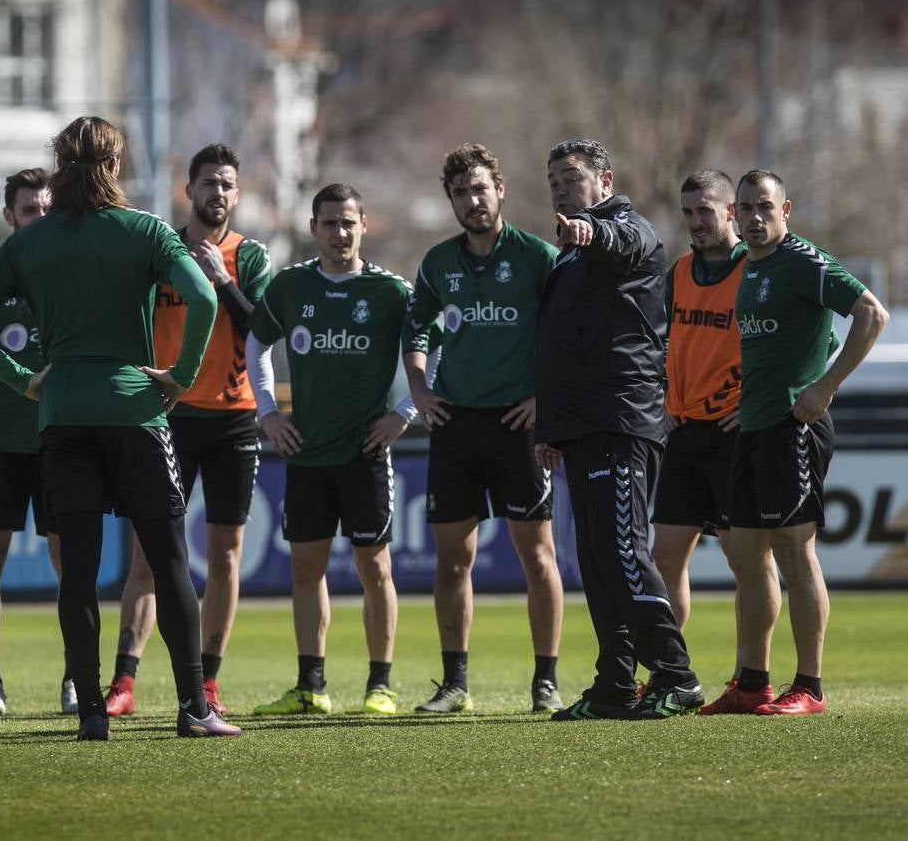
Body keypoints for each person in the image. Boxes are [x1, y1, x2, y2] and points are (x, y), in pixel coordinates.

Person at [0, 115, 241, 740]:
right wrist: (181, 377)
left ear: (61, 166)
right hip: (136, 410)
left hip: (64, 416)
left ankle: (89, 713)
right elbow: (207, 298)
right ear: (113, 166)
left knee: (77, 571)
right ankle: (194, 708)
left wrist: (24, 378)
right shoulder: (143, 231)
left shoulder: (31, 242)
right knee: (168, 561)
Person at [534, 138, 703, 721]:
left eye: (573, 177)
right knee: (598, 561)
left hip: (620, 419)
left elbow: (620, 240)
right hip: (581, 426)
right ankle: (614, 684)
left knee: (624, 552)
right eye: (553, 178)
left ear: (605, 181)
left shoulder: (627, 230)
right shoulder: (567, 254)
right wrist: (550, 428)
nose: (561, 187)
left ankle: (677, 677)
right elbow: (563, 345)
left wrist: (593, 232)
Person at [104, 143, 269, 718]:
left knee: (225, 556)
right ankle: (124, 681)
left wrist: (222, 280)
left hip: (232, 420)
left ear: (237, 193)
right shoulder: (163, 250)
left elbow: (264, 329)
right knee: (149, 557)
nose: (216, 193)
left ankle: (211, 679)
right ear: (188, 190)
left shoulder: (249, 257)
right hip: (166, 417)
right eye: (207, 184)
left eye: (227, 184)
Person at [715, 169, 888, 715]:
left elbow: (871, 313)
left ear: (785, 209)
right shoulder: (748, 266)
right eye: (745, 208)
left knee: (795, 551)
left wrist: (826, 386)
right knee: (744, 554)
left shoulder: (805, 260)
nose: (754, 216)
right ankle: (751, 682)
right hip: (752, 425)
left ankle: (809, 686)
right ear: (734, 214)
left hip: (795, 427)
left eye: (764, 207)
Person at [403, 144, 564, 715]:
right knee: (452, 561)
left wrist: (543, 399)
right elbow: (416, 329)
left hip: (518, 425)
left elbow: (568, 333)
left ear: (501, 191)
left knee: (537, 556)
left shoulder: (537, 257)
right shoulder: (437, 262)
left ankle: (545, 681)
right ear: (450, 201)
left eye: (480, 189)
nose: (473, 200)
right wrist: (419, 390)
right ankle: (455, 685)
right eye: (461, 193)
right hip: (455, 423)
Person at [247, 183, 415, 717]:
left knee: (376, 568)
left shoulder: (392, 292)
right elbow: (255, 345)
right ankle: (310, 686)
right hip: (307, 453)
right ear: (313, 228)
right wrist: (268, 413)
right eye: (329, 223)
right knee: (305, 570)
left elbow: (427, 350)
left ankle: (380, 686)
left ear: (364, 224)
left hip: (365, 454)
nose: (340, 233)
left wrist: (403, 413)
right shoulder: (292, 286)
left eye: (348, 222)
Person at [0, 167, 75, 716]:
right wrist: (2, 416)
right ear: (10, 217)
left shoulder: (76, 280)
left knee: (71, 563)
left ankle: (77, 678)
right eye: (30, 210)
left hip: (63, 443)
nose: (40, 219)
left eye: (48, 210)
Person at [650, 170, 762, 708]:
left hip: (733, 436)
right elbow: (658, 342)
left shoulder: (758, 270)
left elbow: (814, 342)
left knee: (747, 561)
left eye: (706, 211)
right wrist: (665, 399)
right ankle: (671, 672)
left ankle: (748, 673)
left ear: (731, 213)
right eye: (688, 211)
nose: (696, 221)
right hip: (685, 434)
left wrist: (759, 401)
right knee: (665, 556)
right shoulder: (679, 272)